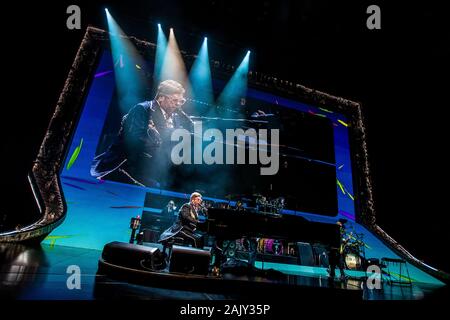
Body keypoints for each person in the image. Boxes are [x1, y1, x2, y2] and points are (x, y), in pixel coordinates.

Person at [90, 79, 194, 187]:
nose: (178, 104)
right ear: (161, 97)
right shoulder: (143, 109)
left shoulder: (175, 117)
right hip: (124, 166)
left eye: (181, 101)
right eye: (174, 100)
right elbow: (133, 142)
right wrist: (166, 135)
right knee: (155, 187)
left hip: (152, 168)